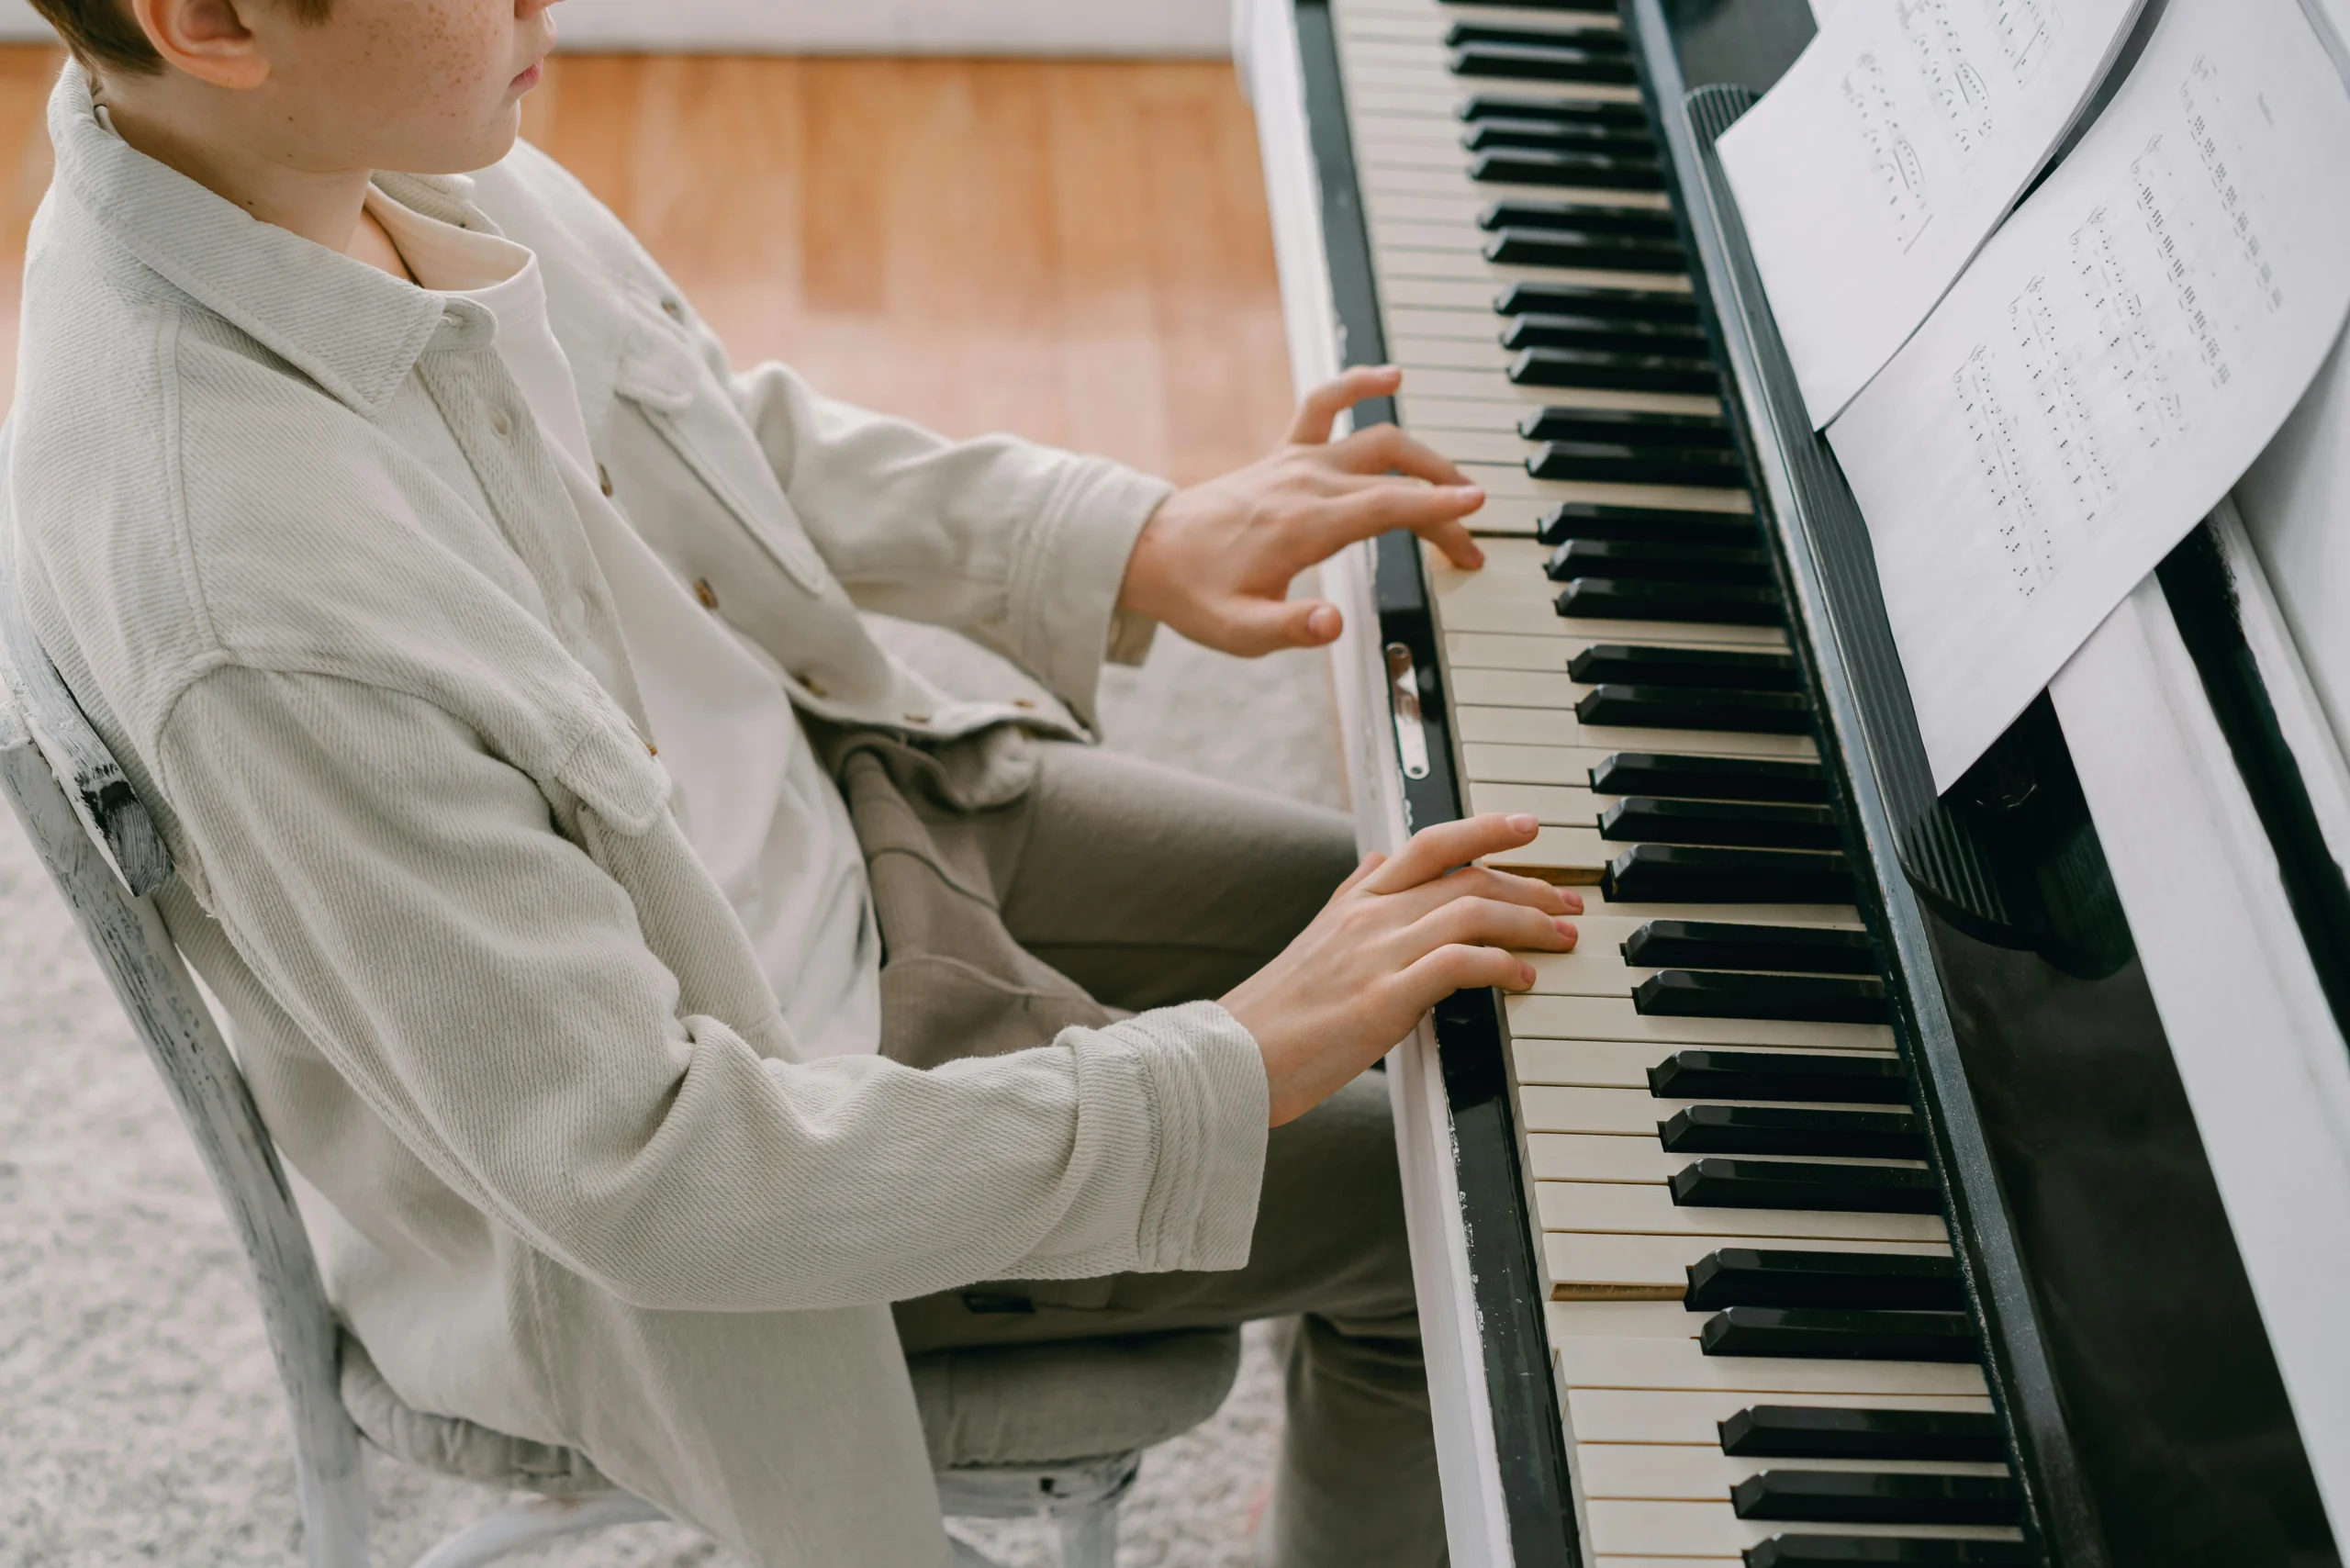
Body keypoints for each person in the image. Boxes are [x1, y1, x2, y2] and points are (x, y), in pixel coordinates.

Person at [7, 0, 1583, 1562]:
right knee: (1451, 1209)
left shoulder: (343, 148)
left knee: (1478, 941)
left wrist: (1128, 539)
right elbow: (650, 1175)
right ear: (209, 21)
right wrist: (1234, 1063)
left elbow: (697, 423)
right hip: (770, 1157)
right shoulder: (251, 598)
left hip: (862, 823)